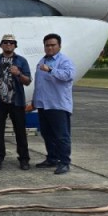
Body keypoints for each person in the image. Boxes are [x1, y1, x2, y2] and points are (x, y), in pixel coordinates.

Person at [0, 34, 32, 171]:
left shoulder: (21, 61)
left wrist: (18, 73)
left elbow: (28, 81)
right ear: (1, 45)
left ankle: (24, 159)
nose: (8, 44)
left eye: (11, 42)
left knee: (20, 132)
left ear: (15, 45)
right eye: (5, 42)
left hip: (17, 102)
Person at [32, 33, 76, 175]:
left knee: (61, 136)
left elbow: (68, 75)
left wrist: (51, 70)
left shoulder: (64, 61)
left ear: (59, 46)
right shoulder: (42, 61)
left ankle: (64, 162)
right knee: (47, 134)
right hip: (43, 105)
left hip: (58, 105)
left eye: (53, 45)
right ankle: (52, 158)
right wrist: (34, 101)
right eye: (47, 45)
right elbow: (39, 84)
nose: (49, 47)